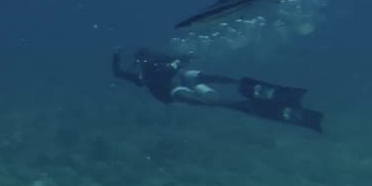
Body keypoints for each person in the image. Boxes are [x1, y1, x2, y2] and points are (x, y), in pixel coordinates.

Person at [112, 48, 323, 133]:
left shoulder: (147, 71)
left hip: (176, 90)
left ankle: (236, 88)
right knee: (198, 87)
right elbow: (120, 73)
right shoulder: (149, 71)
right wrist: (116, 58)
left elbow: (121, 73)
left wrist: (178, 62)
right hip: (176, 92)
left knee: (200, 82)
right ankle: (237, 88)